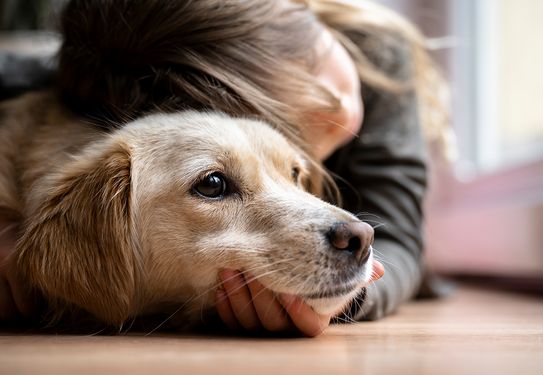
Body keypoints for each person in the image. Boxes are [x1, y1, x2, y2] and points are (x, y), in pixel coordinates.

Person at [0, 0, 448, 336]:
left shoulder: (372, 60)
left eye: (296, 170)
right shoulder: (89, 94)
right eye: (214, 184)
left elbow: (400, 240)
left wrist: (348, 299)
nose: (336, 104)